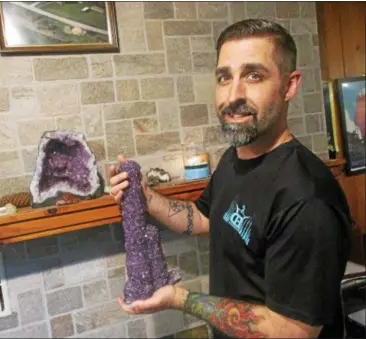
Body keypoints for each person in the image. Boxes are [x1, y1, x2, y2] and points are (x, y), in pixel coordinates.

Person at [108, 19, 353, 339]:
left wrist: (180, 298)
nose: (233, 95)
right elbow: (202, 217)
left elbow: (293, 331)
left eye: (254, 75)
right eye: (224, 77)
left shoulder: (308, 200)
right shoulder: (235, 159)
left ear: (290, 85)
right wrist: (144, 195)